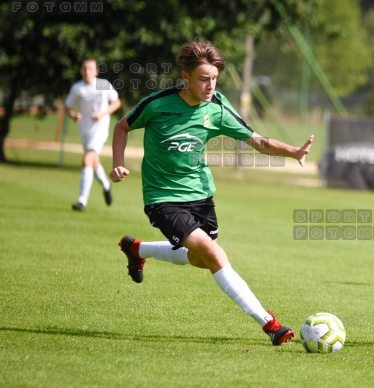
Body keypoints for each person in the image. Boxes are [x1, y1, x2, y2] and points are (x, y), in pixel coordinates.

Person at [109, 40, 314, 346]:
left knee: (200, 257)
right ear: (185, 77)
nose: (209, 85)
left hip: (201, 195)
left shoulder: (217, 107)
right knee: (215, 254)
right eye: (203, 79)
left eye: (214, 78)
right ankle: (270, 324)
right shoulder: (158, 104)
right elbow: (121, 127)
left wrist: (293, 151)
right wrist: (117, 164)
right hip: (163, 198)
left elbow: (255, 140)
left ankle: (137, 249)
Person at [65, 58, 121, 211]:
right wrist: (74, 116)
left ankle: (82, 201)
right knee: (93, 163)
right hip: (85, 129)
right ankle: (106, 185)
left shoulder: (102, 84)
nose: (87, 71)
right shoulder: (77, 88)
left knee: (87, 159)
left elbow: (116, 102)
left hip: (100, 128)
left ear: (96, 71)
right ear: (80, 71)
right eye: (84, 68)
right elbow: (67, 107)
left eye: (90, 68)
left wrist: (103, 113)